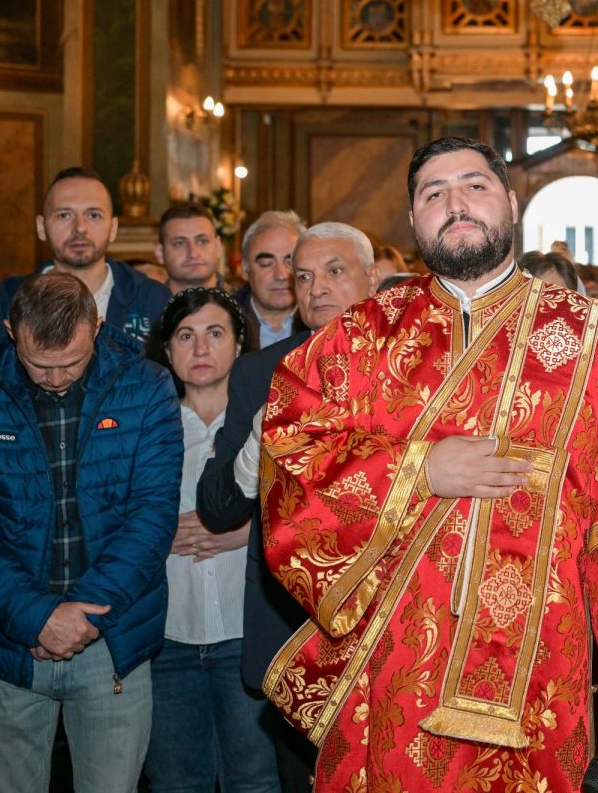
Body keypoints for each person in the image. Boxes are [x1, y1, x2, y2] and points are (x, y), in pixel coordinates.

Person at [259, 137, 598, 792]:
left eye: (474, 186)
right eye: (434, 194)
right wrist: (418, 470)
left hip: (544, 673)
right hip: (396, 674)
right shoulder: (360, 339)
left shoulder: (595, 340)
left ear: (510, 202)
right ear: (414, 219)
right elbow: (292, 457)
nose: (455, 203)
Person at [0, 273, 182, 792]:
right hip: (9, 646)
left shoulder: (147, 386)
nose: (55, 378)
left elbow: (151, 518)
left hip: (110, 641)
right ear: (8, 330)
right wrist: (37, 617)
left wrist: (79, 617)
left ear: (98, 326)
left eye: (71, 361)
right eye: (38, 364)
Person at [196, 221, 381, 793]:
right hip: (293, 631)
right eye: (302, 276)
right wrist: (256, 445)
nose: (316, 288)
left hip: (393, 626)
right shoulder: (260, 372)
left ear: (371, 280)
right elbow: (217, 506)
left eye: (334, 271)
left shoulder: (420, 369)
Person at [142, 288, 279, 792]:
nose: (200, 349)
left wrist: (243, 533)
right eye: (186, 336)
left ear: (240, 344)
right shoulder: (148, 423)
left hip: (246, 638)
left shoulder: (267, 421)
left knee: (256, 781)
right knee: (177, 782)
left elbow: (307, 521)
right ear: (168, 348)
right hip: (168, 640)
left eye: (215, 333)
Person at [0, 168, 170, 360]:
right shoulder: (9, 299)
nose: (80, 228)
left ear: (113, 228)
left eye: (93, 215)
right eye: (64, 215)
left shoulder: (152, 298)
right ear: (41, 228)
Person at [234, 210, 306, 349]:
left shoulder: (326, 324)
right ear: (245, 269)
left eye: (290, 263)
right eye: (266, 264)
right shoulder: (223, 323)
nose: (281, 275)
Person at [155, 203, 225, 293]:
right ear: (160, 252)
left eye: (202, 241)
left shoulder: (243, 305)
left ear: (218, 246)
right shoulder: (144, 306)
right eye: (179, 243)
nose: (193, 254)